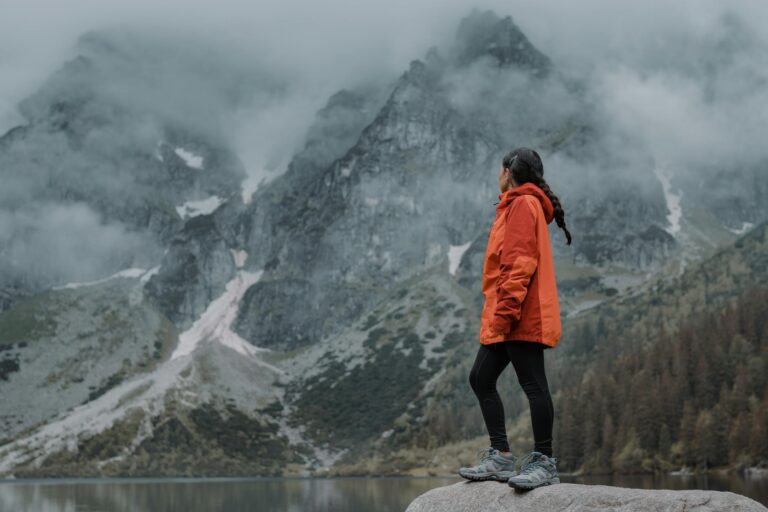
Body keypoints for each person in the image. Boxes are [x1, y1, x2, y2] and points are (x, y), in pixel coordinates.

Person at [458, 147, 572, 490]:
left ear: (508, 171)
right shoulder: (515, 203)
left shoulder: (523, 204)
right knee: (480, 377)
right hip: (507, 311)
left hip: (521, 312)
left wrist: (506, 313)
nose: (498, 175)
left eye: (499, 170)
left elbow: (520, 262)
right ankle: (501, 456)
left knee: (534, 385)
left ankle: (544, 461)